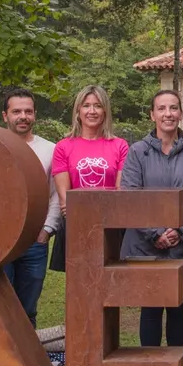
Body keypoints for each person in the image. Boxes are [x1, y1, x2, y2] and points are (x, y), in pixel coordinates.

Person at [121, 89, 183, 348]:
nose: (168, 114)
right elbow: (130, 198)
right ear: (152, 114)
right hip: (147, 246)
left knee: (179, 307)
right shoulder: (137, 152)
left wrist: (180, 230)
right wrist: (155, 233)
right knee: (151, 309)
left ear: (181, 113)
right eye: (162, 108)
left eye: (173, 108)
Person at [51, 85, 129, 273]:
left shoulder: (120, 146)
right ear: (78, 111)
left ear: (105, 111)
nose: (92, 111)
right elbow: (65, 201)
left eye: (98, 106)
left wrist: (103, 220)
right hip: (76, 224)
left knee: (110, 289)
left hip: (111, 226)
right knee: (78, 291)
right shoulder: (63, 147)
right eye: (86, 105)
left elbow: (120, 193)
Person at [1, 88, 63, 328]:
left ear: (35, 115)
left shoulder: (51, 150)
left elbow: (56, 194)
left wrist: (47, 229)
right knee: (1, 304)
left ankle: (29, 361)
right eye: (16, 111)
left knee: (28, 307)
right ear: (5, 116)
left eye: (28, 111)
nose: (23, 116)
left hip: (35, 240)